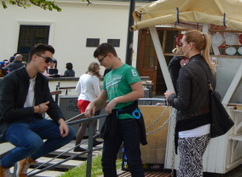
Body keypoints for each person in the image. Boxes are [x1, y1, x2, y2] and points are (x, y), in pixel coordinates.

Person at [0, 44, 75, 176]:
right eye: (47, 60)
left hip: (34, 121)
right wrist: (35, 109)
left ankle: (28, 159)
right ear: (34, 57)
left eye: (51, 60)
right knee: (34, 142)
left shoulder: (42, 80)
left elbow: (50, 103)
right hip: (12, 123)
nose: (49, 64)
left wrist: (61, 120)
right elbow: (6, 112)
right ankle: (3, 165)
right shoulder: (10, 80)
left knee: (68, 133)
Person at [85, 43, 146, 177]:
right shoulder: (108, 75)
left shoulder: (128, 70)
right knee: (107, 160)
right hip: (113, 121)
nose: (100, 64)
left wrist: (116, 100)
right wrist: (92, 104)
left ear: (110, 55)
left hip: (129, 119)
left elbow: (139, 92)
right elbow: (103, 97)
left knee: (133, 160)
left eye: (101, 60)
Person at [164, 30, 215, 177]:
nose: (181, 47)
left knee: (187, 171)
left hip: (191, 127)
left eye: (183, 43)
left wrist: (170, 97)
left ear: (191, 45)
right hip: (205, 124)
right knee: (194, 168)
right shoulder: (208, 66)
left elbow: (182, 103)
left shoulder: (188, 70)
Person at [74, 62, 102, 152]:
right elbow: (98, 92)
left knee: (92, 121)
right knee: (85, 124)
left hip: (81, 99)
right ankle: (77, 146)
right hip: (89, 101)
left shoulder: (83, 76)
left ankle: (93, 140)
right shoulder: (94, 78)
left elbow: (77, 89)